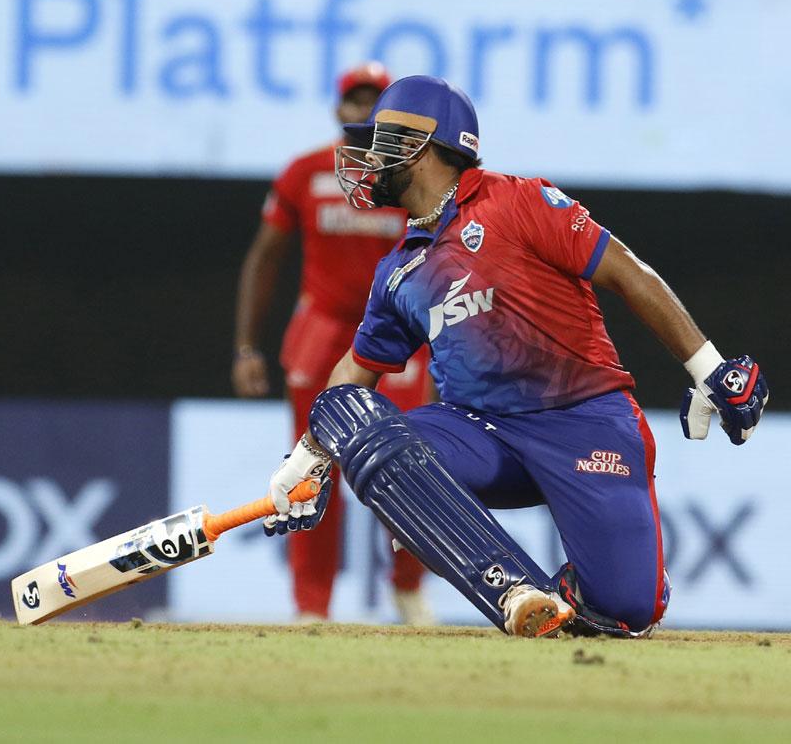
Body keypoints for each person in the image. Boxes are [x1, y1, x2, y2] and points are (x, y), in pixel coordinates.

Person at [261, 75, 768, 637]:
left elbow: (627, 271)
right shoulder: (398, 269)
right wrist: (311, 452)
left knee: (627, 610)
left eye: (382, 139)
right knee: (369, 440)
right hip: (481, 433)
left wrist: (709, 367)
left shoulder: (519, 201)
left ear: (424, 145)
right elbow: (356, 374)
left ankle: (596, 587)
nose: (368, 157)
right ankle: (515, 591)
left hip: (585, 422)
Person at [233, 62, 434, 624]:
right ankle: (311, 606)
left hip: (395, 332)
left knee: (409, 467)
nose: (364, 112)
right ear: (338, 109)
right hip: (321, 334)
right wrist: (246, 346)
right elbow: (263, 257)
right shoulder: (304, 172)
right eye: (356, 100)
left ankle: (408, 588)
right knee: (310, 471)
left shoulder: (411, 179)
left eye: (377, 102)